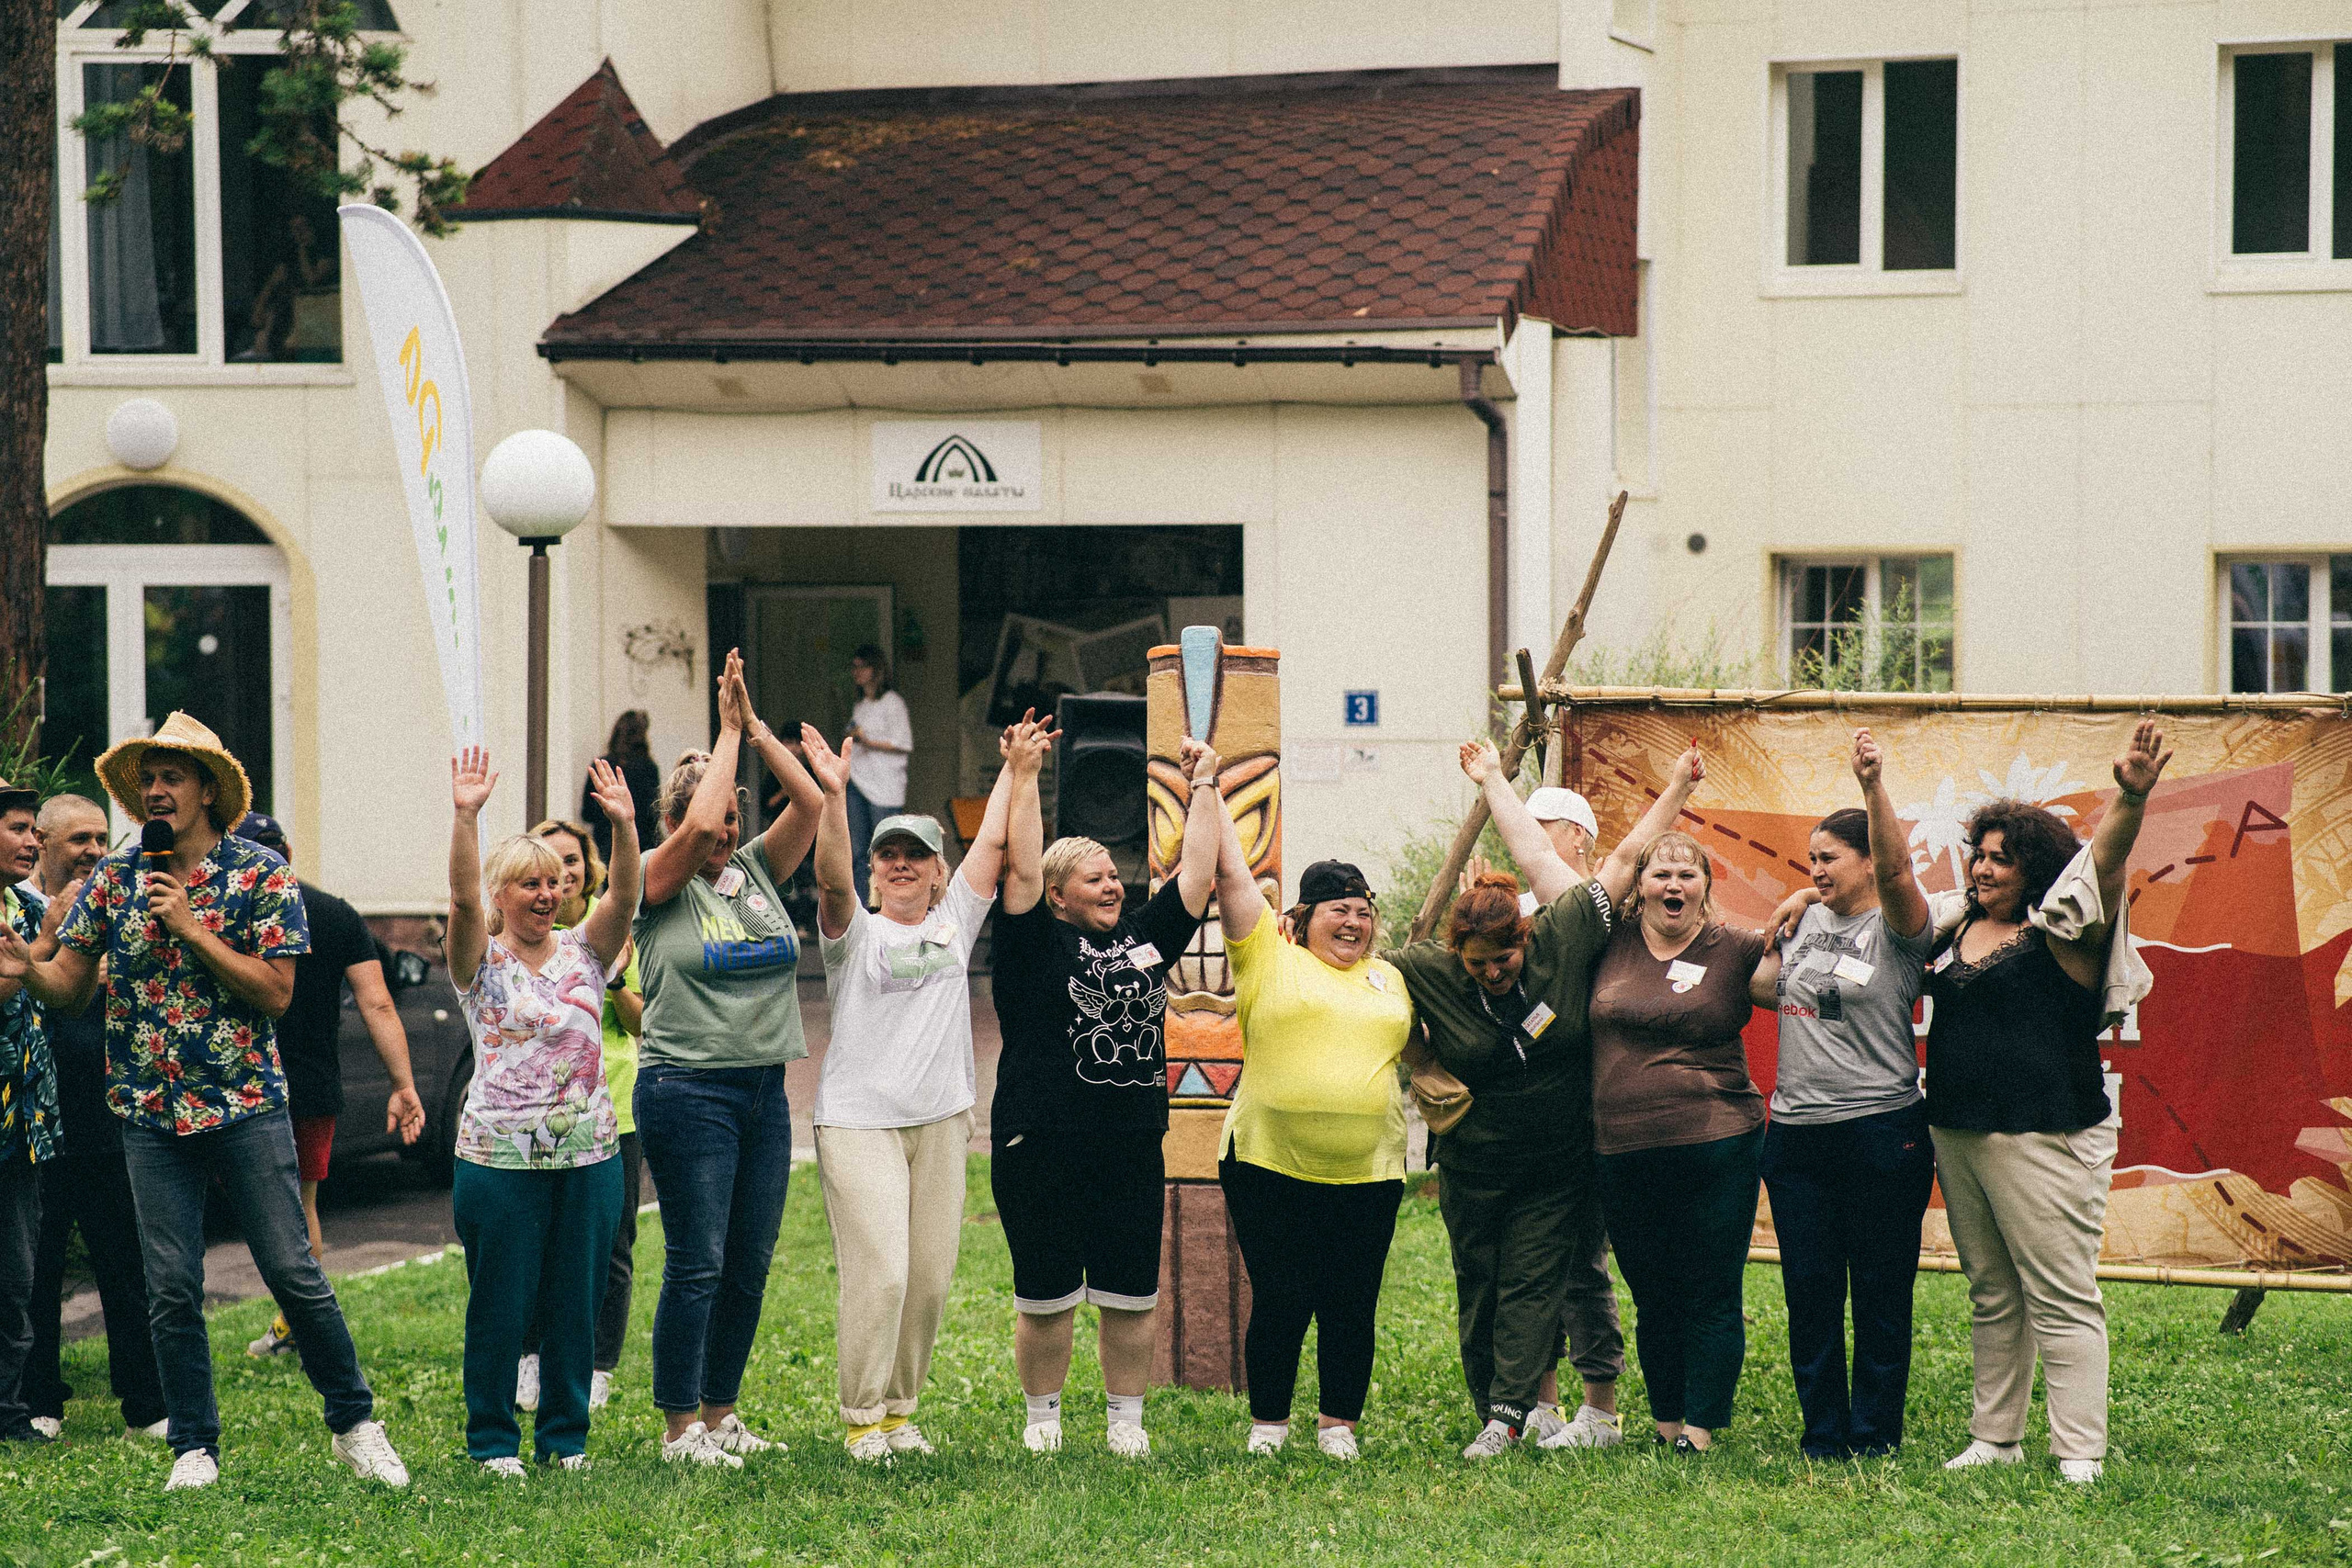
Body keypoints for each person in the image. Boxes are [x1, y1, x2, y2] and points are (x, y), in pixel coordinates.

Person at [0, 713, 407, 1492]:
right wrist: (29, 967)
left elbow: (277, 993)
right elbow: (71, 987)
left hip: (244, 1104)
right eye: (148, 778)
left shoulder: (260, 875)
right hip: (147, 1114)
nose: (155, 790)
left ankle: (355, 1423)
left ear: (209, 790)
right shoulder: (119, 876)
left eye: (172, 777)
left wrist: (191, 927)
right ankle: (194, 1444)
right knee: (171, 1287)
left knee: (291, 1268)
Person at [1387, 739, 1701, 1460]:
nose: (1495, 972)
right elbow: (1361, 987)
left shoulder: (1563, 932)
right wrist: (1421, 1058)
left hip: (1558, 1159)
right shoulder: (1430, 968)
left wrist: (1679, 786)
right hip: (1476, 1162)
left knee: (1537, 1282)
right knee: (1480, 1286)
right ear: (1457, 956)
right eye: (1480, 964)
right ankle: (1499, 1409)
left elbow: (1621, 857)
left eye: (1505, 959)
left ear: (1526, 938)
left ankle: (1509, 1415)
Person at [1926, 721, 2167, 1485]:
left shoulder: (2066, 932)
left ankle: (2079, 1451)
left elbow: (2104, 861)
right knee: (1993, 1293)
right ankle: (1995, 1437)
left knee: (2061, 1297)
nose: (1983, 865)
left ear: (2037, 870)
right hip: (1958, 1131)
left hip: (2046, 1134)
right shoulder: (1956, 924)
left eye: (2002, 857)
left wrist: (2130, 799)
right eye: (1979, 852)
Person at [989, 711, 1219, 1459]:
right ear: (1059, 895)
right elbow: (1021, 869)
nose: (1114, 883)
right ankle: (1043, 1420)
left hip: (1129, 1140)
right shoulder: (1033, 939)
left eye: (1115, 875)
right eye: (1095, 878)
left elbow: (1197, 878)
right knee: (1046, 1295)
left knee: (1130, 1292)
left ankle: (1127, 1421)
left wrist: (1206, 785)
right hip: (1040, 1141)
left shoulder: (1143, 939)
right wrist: (1025, 775)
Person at [797, 716, 1023, 1462]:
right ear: (874, 870)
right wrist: (836, 797)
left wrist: (1014, 767)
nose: (900, 864)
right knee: (884, 1273)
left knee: (927, 1280)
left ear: (936, 871)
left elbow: (992, 844)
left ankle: (899, 1412)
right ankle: (863, 1416)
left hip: (942, 1120)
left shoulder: (956, 919)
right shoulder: (855, 933)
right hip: (859, 1122)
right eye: (887, 854)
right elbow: (831, 879)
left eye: (915, 854)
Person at [634, 650, 823, 1468]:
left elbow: (812, 802)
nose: (726, 833)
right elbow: (700, 826)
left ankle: (720, 1413)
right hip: (686, 1089)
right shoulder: (654, 878)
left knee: (747, 1264)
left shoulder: (754, 871)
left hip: (761, 1088)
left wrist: (755, 730)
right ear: (678, 822)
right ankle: (679, 1427)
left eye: (735, 823)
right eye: (713, 822)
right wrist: (723, 733)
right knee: (698, 1262)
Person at [444, 749, 639, 1475]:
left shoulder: (587, 952)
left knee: (576, 1301)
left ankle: (565, 1437)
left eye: (555, 882)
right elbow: (461, 902)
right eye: (530, 883)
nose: (547, 893)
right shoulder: (479, 961)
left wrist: (623, 825)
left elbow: (626, 895)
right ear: (502, 893)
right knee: (500, 1304)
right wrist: (466, 816)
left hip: (589, 1156)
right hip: (496, 1159)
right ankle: (494, 1440)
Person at [1752, 732, 1938, 1461]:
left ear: (1866, 861)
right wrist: (1796, 903)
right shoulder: (1804, 919)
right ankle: (1823, 1433)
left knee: (1882, 1292)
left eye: (1829, 857)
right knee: (1811, 1290)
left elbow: (1898, 870)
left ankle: (1874, 1434)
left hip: (1879, 1131)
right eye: (1811, 859)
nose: (1816, 869)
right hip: (1796, 1134)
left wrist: (1871, 784)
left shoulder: (1899, 927)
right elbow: (1764, 988)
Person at [1213, 827, 1411, 1462]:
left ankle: (1337, 1426)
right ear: (1303, 917)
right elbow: (1233, 877)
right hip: (1268, 1161)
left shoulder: (1390, 978)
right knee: (1282, 1294)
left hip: (1369, 1170)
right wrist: (1208, 786)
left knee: (1352, 1301)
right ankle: (1269, 1424)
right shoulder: (1268, 956)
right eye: (1339, 910)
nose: (1354, 922)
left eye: (1363, 912)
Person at [1588, 820, 1780, 1455]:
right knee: (1652, 1291)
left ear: (1705, 886)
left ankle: (1699, 1429)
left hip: (1718, 1144)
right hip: (1622, 1147)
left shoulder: (1737, 948)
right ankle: (1666, 1421)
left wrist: (1803, 902)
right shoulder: (1606, 943)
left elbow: (1811, 985)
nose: (1674, 884)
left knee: (1711, 1287)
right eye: (1661, 873)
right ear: (1639, 885)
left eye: (1686, 874)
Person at [234, 811, 425, 1360]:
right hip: (309, 1087)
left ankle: (293, 1329)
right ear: (288, 853)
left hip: (230, 1085)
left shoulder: (224, 909)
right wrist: (403, 1083)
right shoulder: (333, 912)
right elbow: (377, 1002)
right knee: (301, 1210)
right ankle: (303, 1330)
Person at [20, 793, 166, 1441]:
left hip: (109, 1117)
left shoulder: (118, 905)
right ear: (42, 841)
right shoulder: (20, 910)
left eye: (102, 838)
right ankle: (41, 1399)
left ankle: (146, 1403)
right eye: (79, 838)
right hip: (39, 1122)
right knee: (39, 1268)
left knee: (126, 1266)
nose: (94, 851)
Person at [526, 816, 644, 1416]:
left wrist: (615, 976)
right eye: (549, 862)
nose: (563, 873)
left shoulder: (614, 925)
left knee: (611, 1243)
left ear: (587, 865)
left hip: (612, 1105)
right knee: (536, 1238)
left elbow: (644, 1020)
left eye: (571, 859)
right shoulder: (520, 932)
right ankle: (530, 1356)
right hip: (537, 1111)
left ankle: (598, 1364)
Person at [0, 776, 62, 1445]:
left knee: (16, 1278)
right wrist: (41, 948)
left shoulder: (29, 904)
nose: (32, 842)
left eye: (34, 830)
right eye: (18, 829)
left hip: (23, 1128)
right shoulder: (36, 920)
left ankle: (8, 1413)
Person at [843, 644, 913, 908]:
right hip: (858, 781)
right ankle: (863, 908)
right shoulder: (860, 705)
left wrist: (867, 740)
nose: (857, 672)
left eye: (862, 666)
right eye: (854, 667)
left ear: (876, 669)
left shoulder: (893, 702)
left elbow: (903, 743)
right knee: (858, 852)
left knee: (886, 850)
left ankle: (887, 907)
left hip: (885, 787)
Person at [581, 710, 662, 864]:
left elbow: (587, 813)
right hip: (642, 844)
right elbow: (653, 813)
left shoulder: (601, 766)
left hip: (607, 844)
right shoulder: (648, 767)